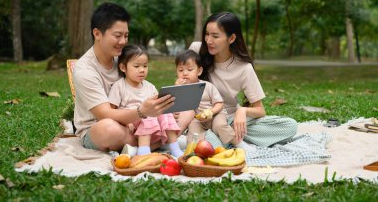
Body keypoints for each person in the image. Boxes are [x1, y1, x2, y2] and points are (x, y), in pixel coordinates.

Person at [73, 2, 174, 152]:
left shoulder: (123, 60)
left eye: (126, 35)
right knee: (108, 129)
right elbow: (104, 114)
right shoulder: (84, 69)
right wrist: (142, 112)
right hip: (97, 128)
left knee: (179, 114)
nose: (123, 42)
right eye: (117, 36)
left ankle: (149, 141)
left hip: (137, 122)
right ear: (97, 34)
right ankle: (157, 143)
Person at [188, 12, 297, 147]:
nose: (208, 40)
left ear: (232, 38)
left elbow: (260, 110)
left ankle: (219, 139)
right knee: (209, 142)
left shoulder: (244, 68)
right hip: (198, 119)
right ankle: (220, 140)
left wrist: (242, 111)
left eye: (215, 36)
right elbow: (185, 87)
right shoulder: (196, 50)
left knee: (290, 126)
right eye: (207, 34)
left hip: (229, 119)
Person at [108, 44, 184, 157]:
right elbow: (112, 111)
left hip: (152, 126)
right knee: (147, 115)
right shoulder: (119, 86)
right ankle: (144, 153)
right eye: (137, 66)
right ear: (123, 67)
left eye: (145, 66)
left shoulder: (150, 87)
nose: (142, 70)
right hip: (131, 122)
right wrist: (125, 122)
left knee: (165, 113)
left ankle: (175, 148)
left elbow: (158, 107)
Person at [174, 50, 255, 150]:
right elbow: (178, 105)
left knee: (220, 126)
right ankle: (191, 146)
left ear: (199, 71)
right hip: (198, 118)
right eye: (181, 70)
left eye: (190, 70)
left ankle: (239, 143)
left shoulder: (207, 86)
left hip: (216, 114)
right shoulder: (181, 89)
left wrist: (211, 112)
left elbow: (219, 104)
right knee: (193, 129)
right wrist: (177, 89)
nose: (185, 73)